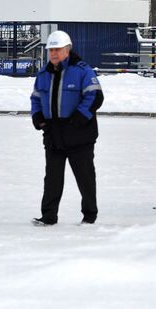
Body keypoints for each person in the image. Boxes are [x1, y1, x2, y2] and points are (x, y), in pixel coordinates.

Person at [30, 30, 104, 226]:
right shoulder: (43, 74)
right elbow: (36, 99)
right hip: (53, 134)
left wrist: (80, 118)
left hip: (79, 134)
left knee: (85, 177)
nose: (53, 54)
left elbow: (95, 96)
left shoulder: (82, 71)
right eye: (50, 50)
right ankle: (48, 216)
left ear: (67, 50)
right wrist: (37, 118)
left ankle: (89, 215)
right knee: (52, 178)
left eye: (57, 49)